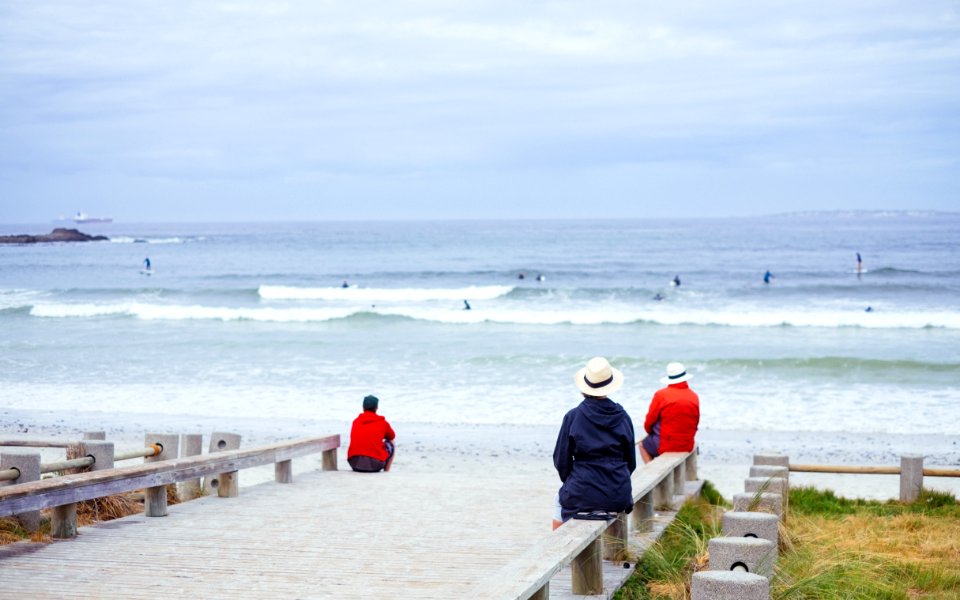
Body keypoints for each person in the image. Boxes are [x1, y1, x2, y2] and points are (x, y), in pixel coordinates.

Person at [553, 357, 636, 529]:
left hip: (582, 490)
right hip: (618, 492)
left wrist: (575, 481)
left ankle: (557, 550)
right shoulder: (623, 417)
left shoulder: (573, 416)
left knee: (558, 501)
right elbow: (631, 462)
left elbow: (561, 461)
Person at [639, 362, 700, 464]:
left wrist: (650, 432)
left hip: (667, 445)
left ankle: (653, 471)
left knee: (642, 445)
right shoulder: (693, 396)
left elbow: (649, 422)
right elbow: (695, 423)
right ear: (685, 377)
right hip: (687, 445)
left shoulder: (661, 395)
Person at [347, 395, 396, 472]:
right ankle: (387, 470)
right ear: (376, 408)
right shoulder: (382, 422)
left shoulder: (356, 421)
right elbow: (392, 436)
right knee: (392, 443)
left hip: (354, 463)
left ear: (363, 407)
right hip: (375, 465)